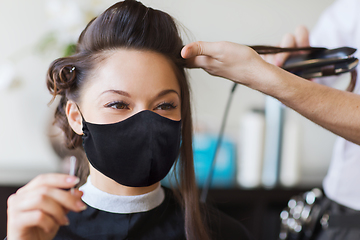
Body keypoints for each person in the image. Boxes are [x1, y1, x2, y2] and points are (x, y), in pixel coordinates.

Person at [6, 1, 253, 240]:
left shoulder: (223, 233)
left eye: (164, 105)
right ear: (75, 116)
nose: (146, 123)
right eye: (118, 104)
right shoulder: (40, 232)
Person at [181, 1, 360, 239]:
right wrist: (293, 72)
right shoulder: (348, 10)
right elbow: (310, 79)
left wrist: (263, 77)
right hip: (336, 208)